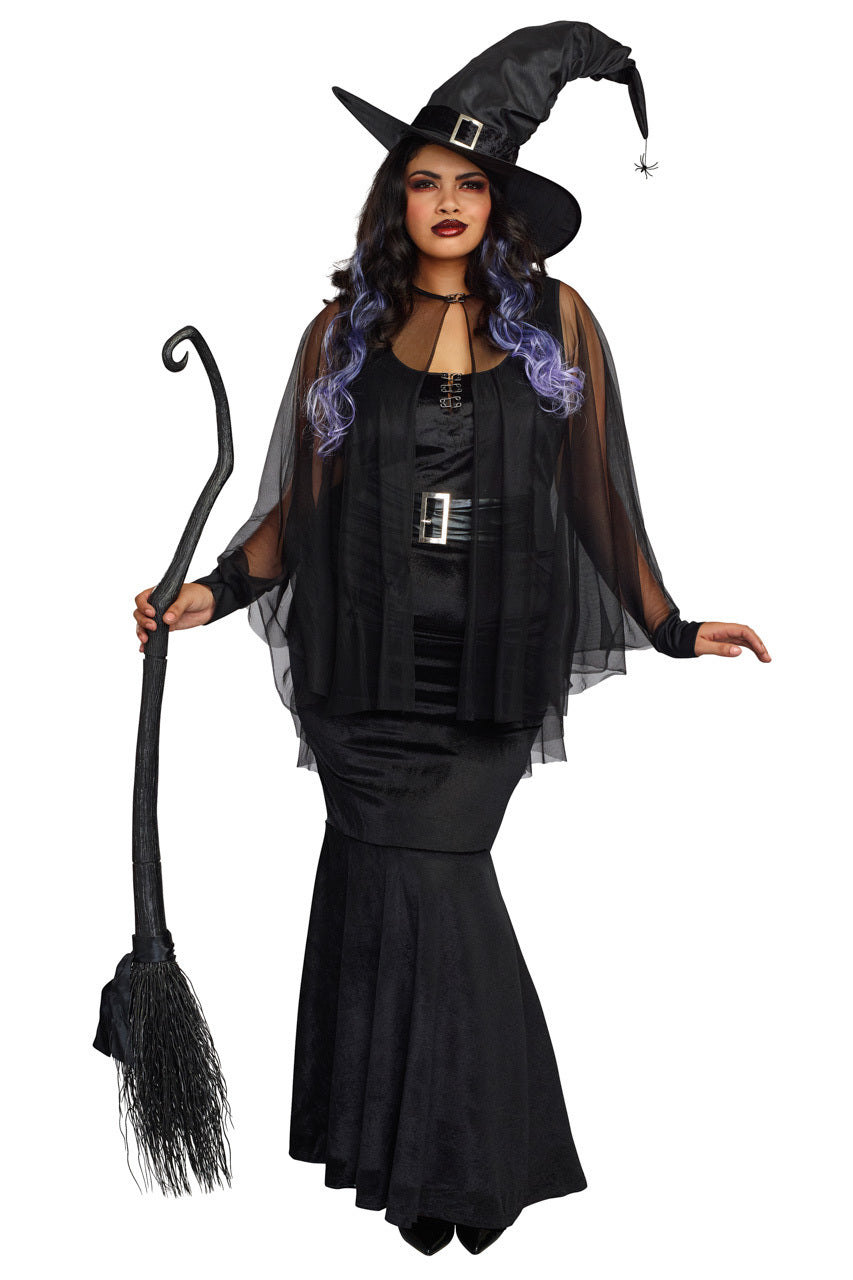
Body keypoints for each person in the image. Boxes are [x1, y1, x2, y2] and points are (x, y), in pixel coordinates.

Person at [133, 27, 770, 1257]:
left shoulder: (557, 324)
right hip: (360, 676)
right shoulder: (342, 333)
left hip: (484, 672)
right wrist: (203, 594)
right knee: (375, 890)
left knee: (437, 888)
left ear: (499, 202)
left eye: (469, 183)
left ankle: (477, 1164)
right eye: (423, 180)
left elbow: (597, 496)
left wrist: (671, 622)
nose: (445, 203)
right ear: (396, 198)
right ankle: (413, 1172)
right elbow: (294, 516)